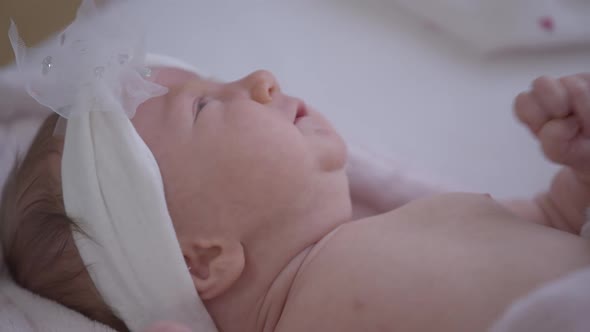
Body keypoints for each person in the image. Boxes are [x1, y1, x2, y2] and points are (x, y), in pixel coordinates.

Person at [3, 64, 590, 332]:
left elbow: (553, 224)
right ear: (200, 261)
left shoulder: (411, 221)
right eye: (205, 106)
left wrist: (578, 175)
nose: (261, 79)